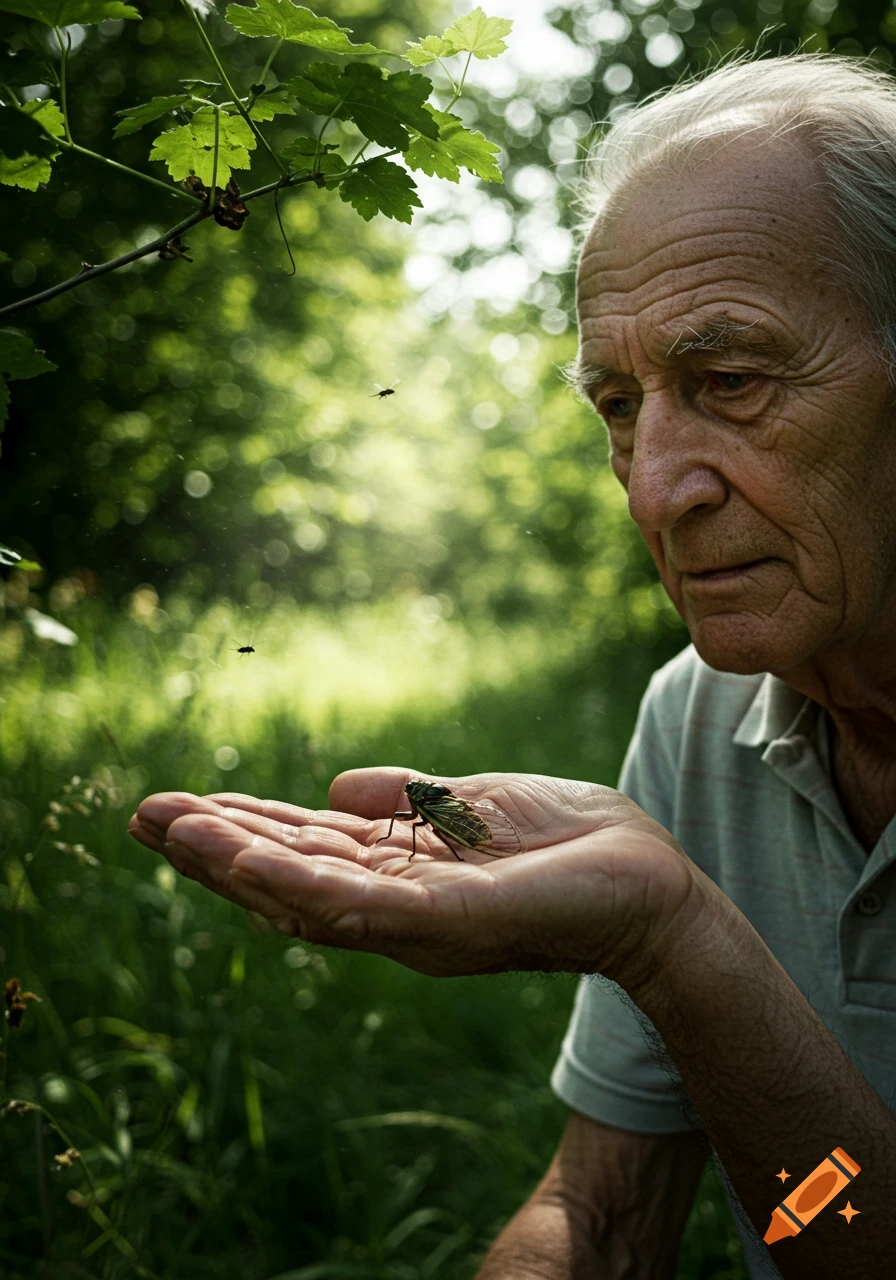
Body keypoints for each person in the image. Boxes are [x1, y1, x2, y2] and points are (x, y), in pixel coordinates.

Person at [129, 52, 896, 1279]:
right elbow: (604, 1212)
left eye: (731, 382)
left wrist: (679, 946)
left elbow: (853, 1236)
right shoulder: (695, 721)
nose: (652, 488)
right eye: (617, 406)